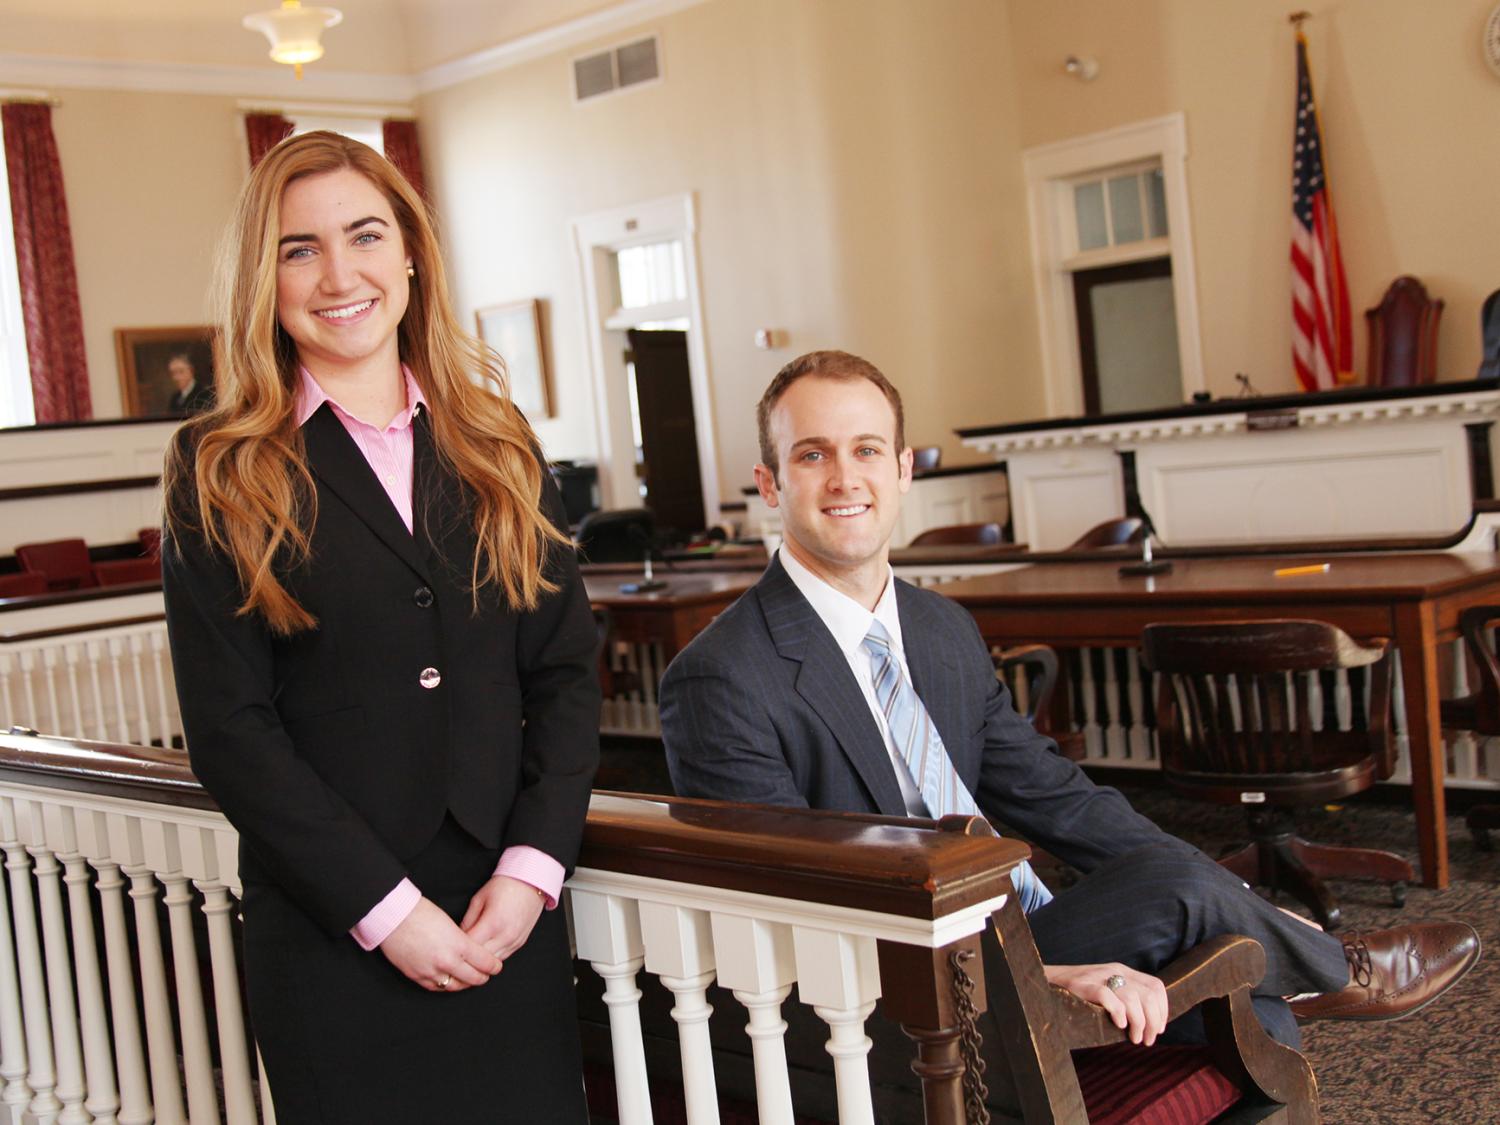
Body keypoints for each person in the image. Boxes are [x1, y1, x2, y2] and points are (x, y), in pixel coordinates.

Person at [660, 349, 1479, 1053]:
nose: (846, 478)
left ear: (903, 469)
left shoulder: (939, 626)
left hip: (1016, 929)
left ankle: (1288, 963)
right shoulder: (723, 675)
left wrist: (1212, 906)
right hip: (903, 988)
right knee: (1187, 906)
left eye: (867, 449)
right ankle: (1338, 970)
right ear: (770, 483)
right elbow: (795, 916)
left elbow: (1062, 801)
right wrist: (1052, 975)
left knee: (1246, 999)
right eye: (812, 454)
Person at [161, 131, 598, 1123]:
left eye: (364, 235)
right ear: (263, 279)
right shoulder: (217, 466)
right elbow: (231, 730)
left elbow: (567, 674)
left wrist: (533, 871)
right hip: (336, 933)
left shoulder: (497, 440)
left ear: (409, 253)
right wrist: (387, 912)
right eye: (299, 249)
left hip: (505, 917)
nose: (339, 275)